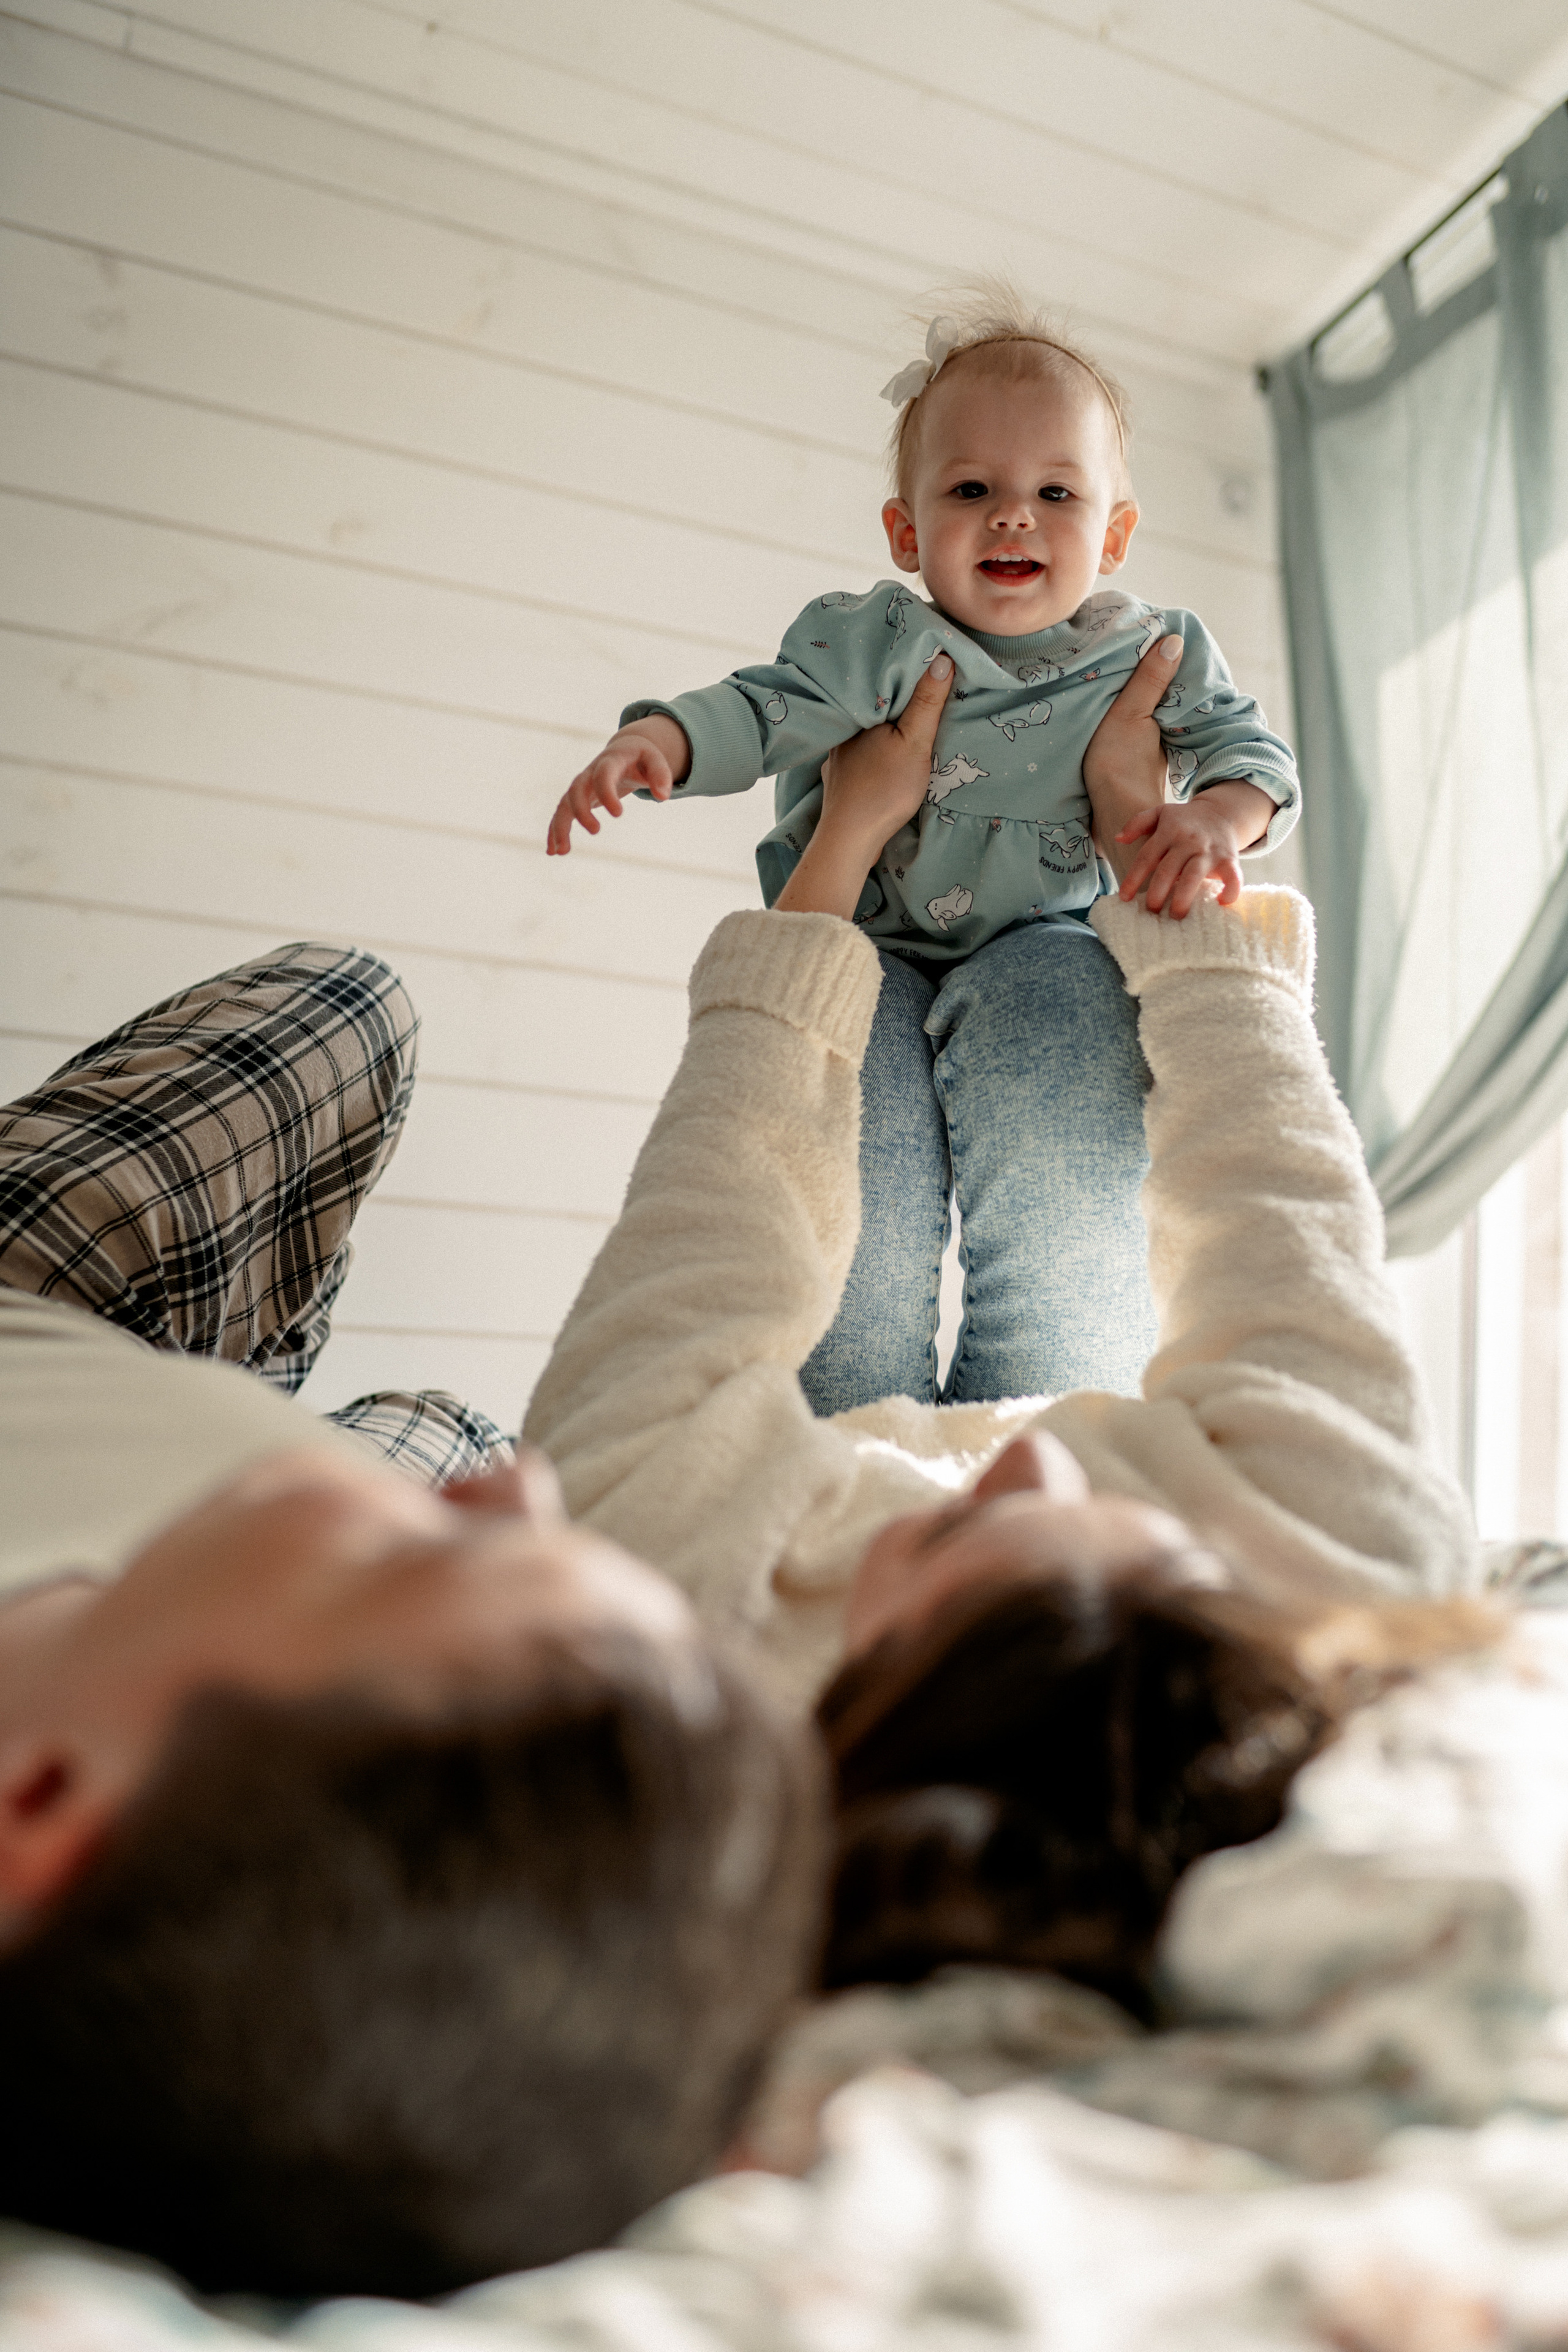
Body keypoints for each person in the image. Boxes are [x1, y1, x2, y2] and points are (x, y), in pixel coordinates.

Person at [523, 634, 1485, 2009]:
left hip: (809, 1442)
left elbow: (705, 1233)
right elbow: (1282, 1213)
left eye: (960, 1527)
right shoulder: (1335, 1582)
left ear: (862, 1673)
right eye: (1115, 1529)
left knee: (850, 1066)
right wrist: (1159, 862)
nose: (1030, 1458)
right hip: (1072, 1285)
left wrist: (838, 852)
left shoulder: (674, 1618)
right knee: (1048, 994)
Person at [0, 948, 823, 2297]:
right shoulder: (180, 1754)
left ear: (41, 1799)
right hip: (173, 1523)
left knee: (344, 1050)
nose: (524, 1488)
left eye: (420, 1556)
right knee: (446, 1403)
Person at [543, 287, 1301, 1414]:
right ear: (907, 533)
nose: (1013, 518)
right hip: (870, 949)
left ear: (1116, 532)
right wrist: (659, 738)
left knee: (1067, 1093)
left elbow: (1255, 758)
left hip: (1047, 940)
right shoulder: (881, 639)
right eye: (971, 491)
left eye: (1056, 492)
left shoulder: (1150, 652)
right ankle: (856, 1434)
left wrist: (1212, 819)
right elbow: (766, 708)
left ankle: (1030, 1423)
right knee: (855, 1188)